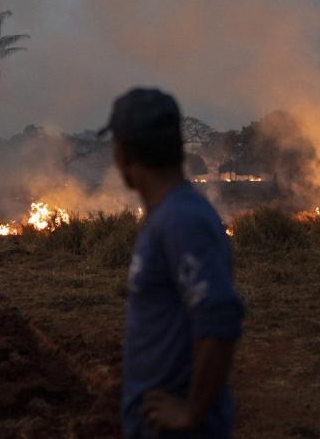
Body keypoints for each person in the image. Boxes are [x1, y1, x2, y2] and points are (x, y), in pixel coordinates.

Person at [98, 88, 244, 438]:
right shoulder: (166, 215)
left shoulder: (182, 219)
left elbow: (221, 315)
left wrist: (191, 411)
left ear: (123, 153)